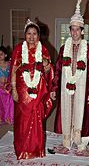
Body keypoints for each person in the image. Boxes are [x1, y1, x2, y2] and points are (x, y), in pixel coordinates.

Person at [50, 0, 89, 156]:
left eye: (78, 29)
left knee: (83, 115)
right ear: (69, 30)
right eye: (72, 29)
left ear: (82, 31)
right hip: (66, 88)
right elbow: (58, 69)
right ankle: (67, 141)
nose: (75, 32)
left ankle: (81, 145)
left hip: (83, 88)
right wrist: (54, 88)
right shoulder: (64, 48)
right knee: (67, 112)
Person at [10, 19, 54, 160]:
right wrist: (14, 90)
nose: (31, 36)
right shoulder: (18, 49)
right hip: (23, 90)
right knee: (23, 119)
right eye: (29, 33)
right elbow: (13, 71)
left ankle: (36, 149)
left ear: (38, 35)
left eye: (34, 33)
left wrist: (47, 64)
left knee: (37, 118)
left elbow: (48, 72)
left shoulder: (44, 49)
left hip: (38, 88)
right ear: (25, 34)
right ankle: (23, 149)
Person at [0, 46, 14, 124]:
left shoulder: (10, 64)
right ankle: (1, 117)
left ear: (5, 55)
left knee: (10, 97)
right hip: (0, 87)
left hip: (8, 86)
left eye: (1, 54)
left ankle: (9, 117)